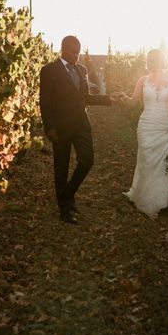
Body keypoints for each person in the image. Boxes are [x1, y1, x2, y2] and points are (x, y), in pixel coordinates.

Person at [39, 36, 112, 224]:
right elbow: (45, 101)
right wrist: (49, 127)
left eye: (78, 51)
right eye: (73, 51)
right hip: (60, 128)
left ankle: (68, 193)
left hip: (81, 125)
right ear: (63, 50)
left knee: (87, 161)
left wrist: (110, 98)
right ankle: (64, 210)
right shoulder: (49, 71)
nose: (76, 56)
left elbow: (85, 98)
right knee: (61, 168)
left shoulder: (82, 70)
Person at [115, 49, 168, 218]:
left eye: (152, 60)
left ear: (160, 61)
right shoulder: (142, 81)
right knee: (149, 160)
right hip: (146, 126)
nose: (149, 63)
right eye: (148, 60)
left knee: (165, 161)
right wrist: (123, 96)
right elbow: (133, 102)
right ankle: (148, 201)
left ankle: (166, 197)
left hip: (166, 125)